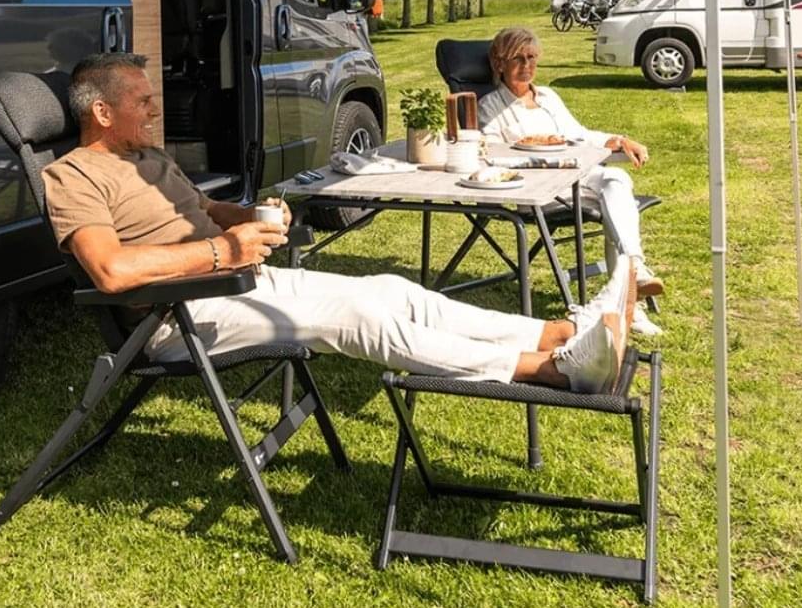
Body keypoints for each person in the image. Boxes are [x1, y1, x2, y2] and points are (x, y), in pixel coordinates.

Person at [42, 53, 637, 396]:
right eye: (142, 102)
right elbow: (110, 270)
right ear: (102, 111)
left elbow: (204, 210)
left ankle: (557, 332)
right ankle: (554, 372)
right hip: (178, 314)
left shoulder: (147, 158)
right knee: (357, 318)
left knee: (391, 290)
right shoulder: (72, 176)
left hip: (236, 279)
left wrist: (251, 218)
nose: (155, 109)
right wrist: (224, 251)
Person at [478, 25, 665, 336]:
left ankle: (632, 272)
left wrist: (619, 140)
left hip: (576, 175)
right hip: (541, 187)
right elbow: (493, 155)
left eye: (532, 57)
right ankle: (631, 296)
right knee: (617, 207)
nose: (527, 65)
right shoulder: (491, 107)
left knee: (616, 179)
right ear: (499, 63)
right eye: (518, 59)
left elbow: (579, 134)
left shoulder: (548, 96)